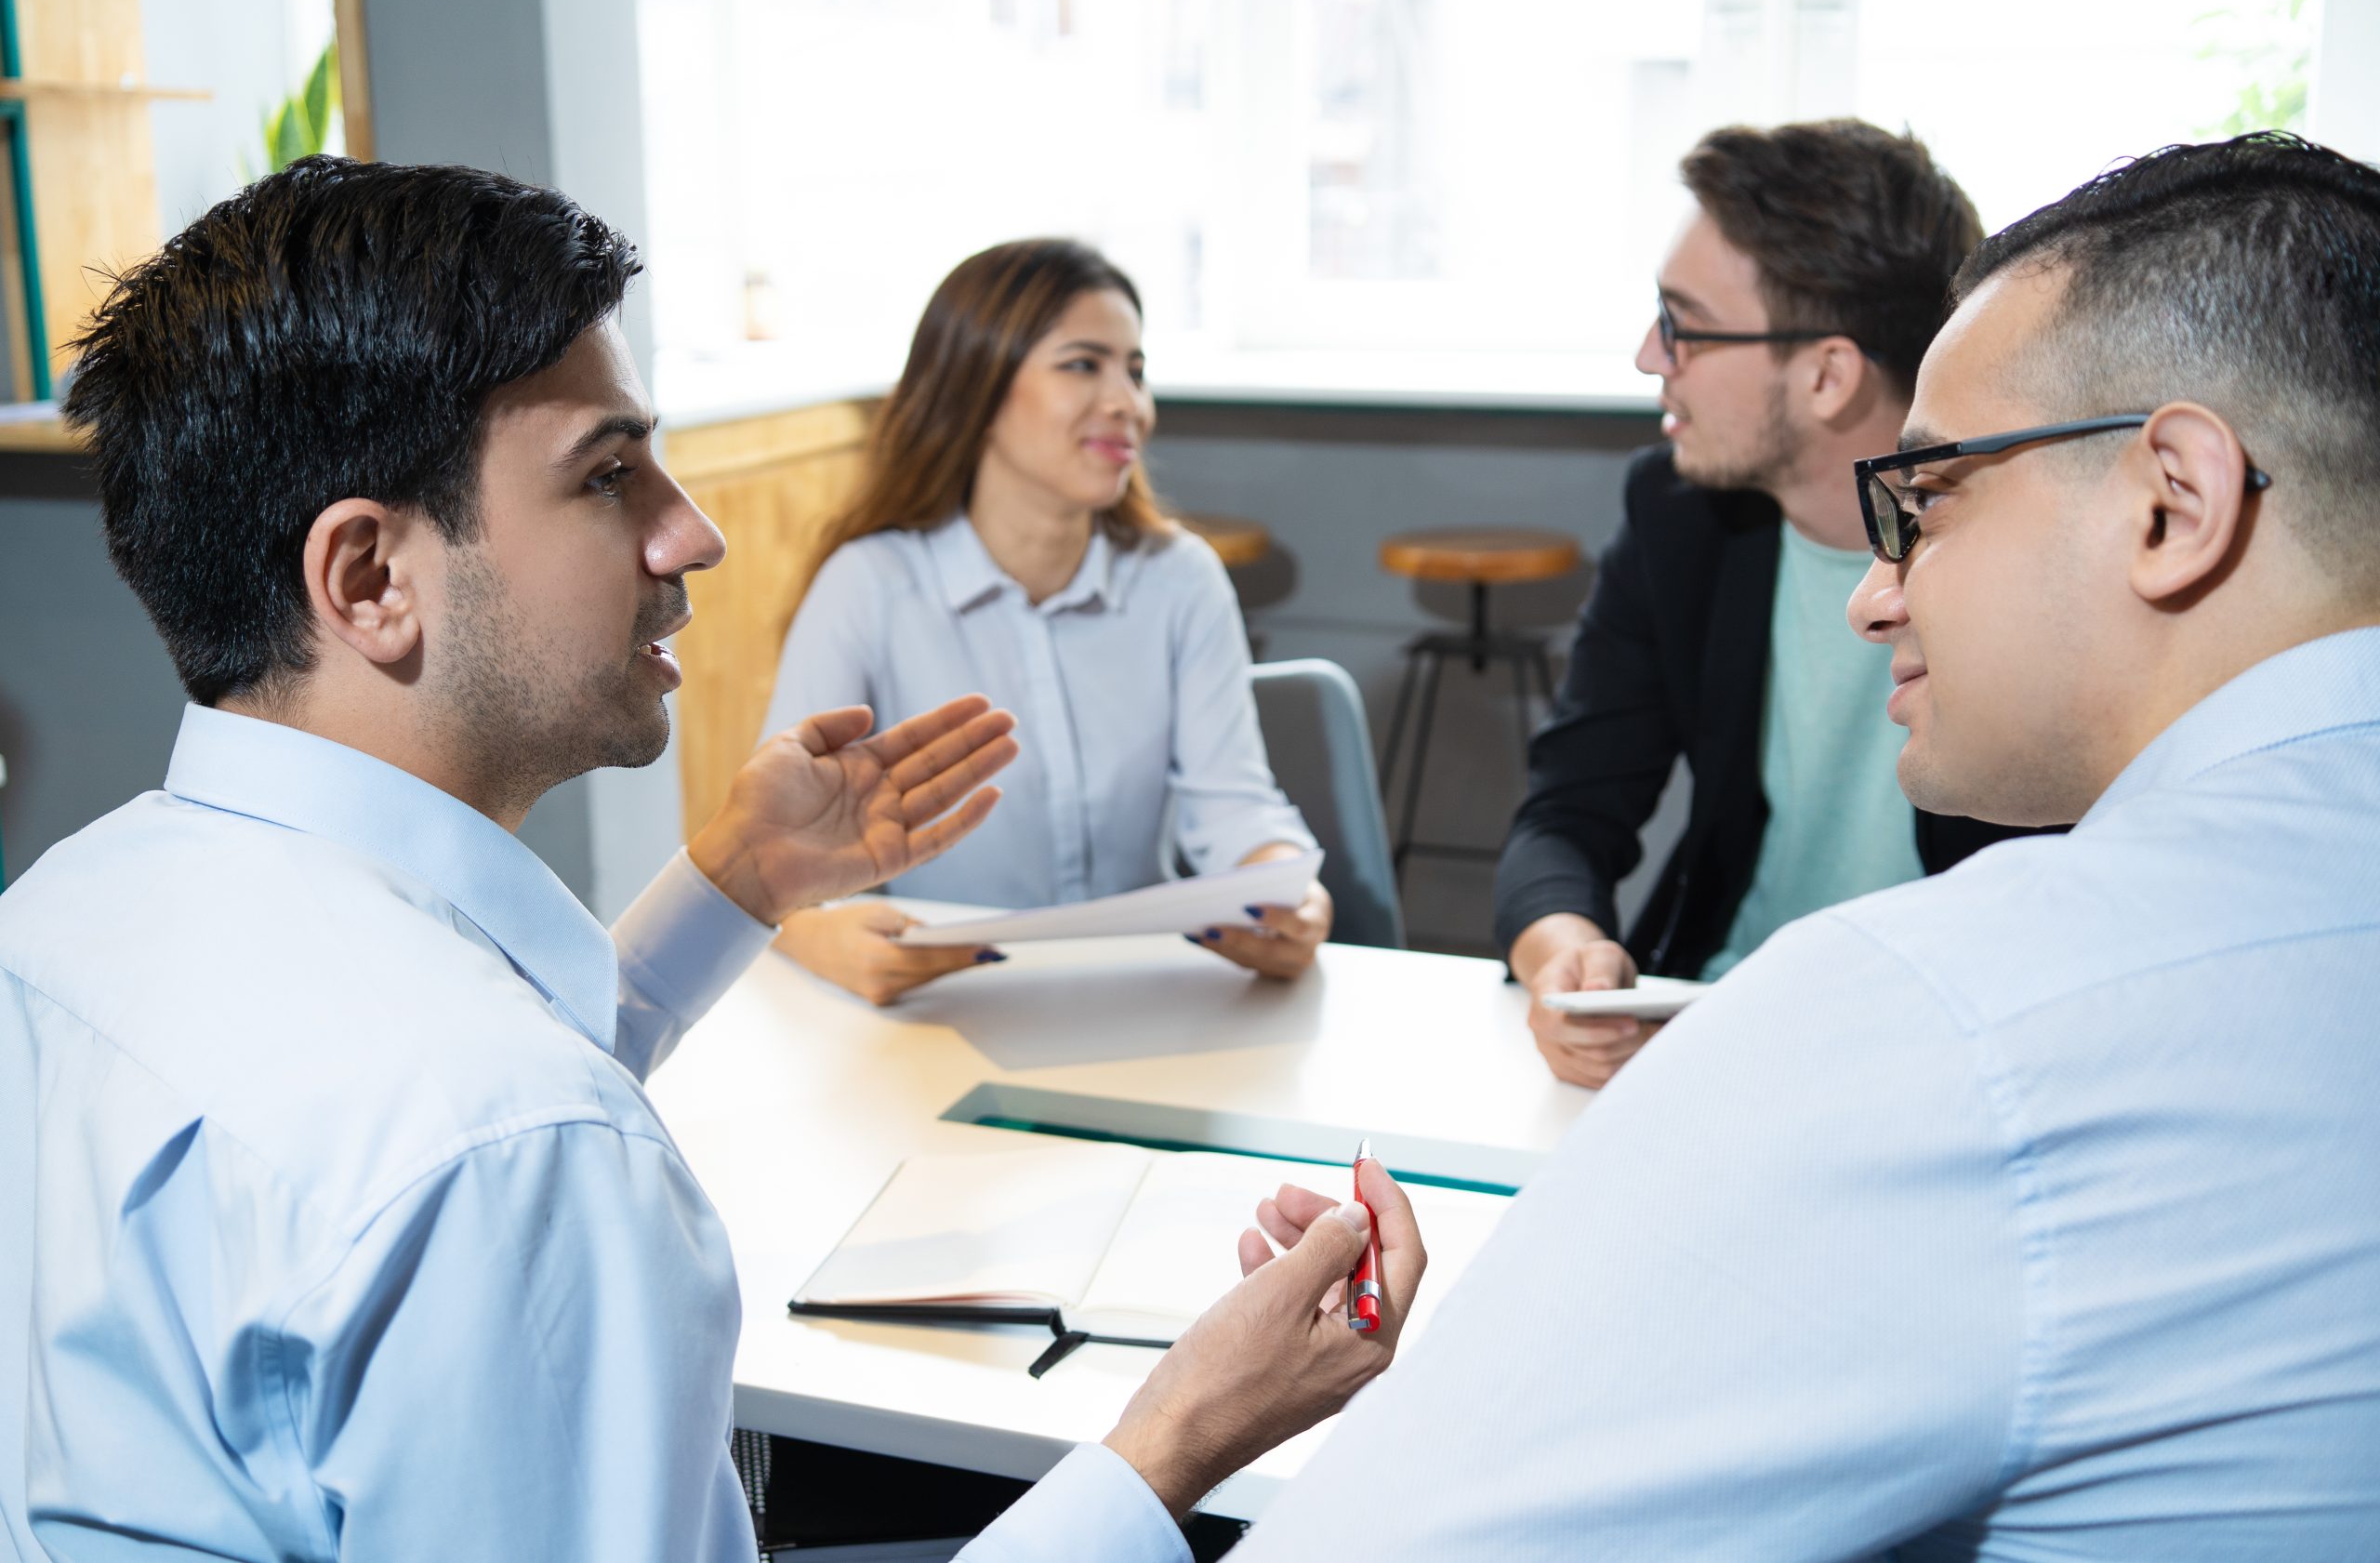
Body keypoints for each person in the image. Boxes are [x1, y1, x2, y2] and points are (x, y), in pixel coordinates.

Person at [0, 157, 1423, 1561]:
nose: (694, 528)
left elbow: (406, 1119)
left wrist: (736, 881)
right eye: (609, 473)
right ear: (370, 577)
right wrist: (1178, 1437)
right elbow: (482, 1136)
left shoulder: (61, 921)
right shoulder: (518, 1154)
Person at [1231, 131, 2380, 1556]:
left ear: (2173, 499)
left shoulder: (1948, 1016)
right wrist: (1559, 938)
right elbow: (1571, 803)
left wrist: (1171, 1439)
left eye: (1934, 498)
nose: (1875, 598)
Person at [1496, 120, 2036, 1088]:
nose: (1646, 357)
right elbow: (1567, 809)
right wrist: (1561, 949)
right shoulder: (1679, 517)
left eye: (1682, 326)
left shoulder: (2031, 554)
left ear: (1828, 374)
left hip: (1939, 1071)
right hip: (1706, 1034)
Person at [760, 239, 1332, 1006]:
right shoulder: (869, 587)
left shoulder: (1180, 580)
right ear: (978, 387)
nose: (1128, 403)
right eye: (1083, 364)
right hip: (942, 1006)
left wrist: (1288, 888)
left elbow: (1230, 803)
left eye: (1135, 369)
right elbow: (775, 852)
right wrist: (818, 935)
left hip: (1140, 997)